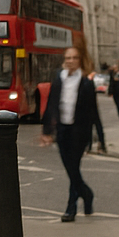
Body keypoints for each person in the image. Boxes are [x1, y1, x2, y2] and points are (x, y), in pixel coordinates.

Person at [40, 45, 98, 222]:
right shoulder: (59, 78)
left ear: (80, 61)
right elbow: (51, 104)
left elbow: (93, 112)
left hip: (78, 132)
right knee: (71, 169)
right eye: (67, 58)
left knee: (73, 169)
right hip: (63, 130)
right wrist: (47, 131)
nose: (70, 61)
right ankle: (87, 194)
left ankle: (71, 207)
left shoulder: (86, 82)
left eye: (74, 58)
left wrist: (98, 139)